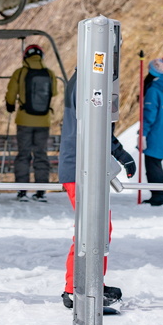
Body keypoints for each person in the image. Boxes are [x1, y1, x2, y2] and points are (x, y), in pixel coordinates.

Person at [57, 70, 135, 310]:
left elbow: (97, 124)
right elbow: (94, 124)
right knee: (91, 230)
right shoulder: (87, 80)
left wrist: (119, 154)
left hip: (83, 164)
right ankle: (76, 288)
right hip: (80, 166)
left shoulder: (83, 78)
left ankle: (90, 283)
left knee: (97, 229)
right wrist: (120, 154)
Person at [5, 43, 57, 202]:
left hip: (24, 120)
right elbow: (54, 92)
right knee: (41, 154)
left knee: (23, 154)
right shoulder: (49, 73)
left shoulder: (20, 73)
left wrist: (10, 105)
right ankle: (41, 191)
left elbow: (11, 95)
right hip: (43, 121)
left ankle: (22, 191)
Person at [141, 55, 163, 207]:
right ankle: (159, 195)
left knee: (152, 165)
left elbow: (149, 115)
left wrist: (143, 134)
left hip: (154, 133)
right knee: (155, 165)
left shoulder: (153, 90)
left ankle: (159, 196)